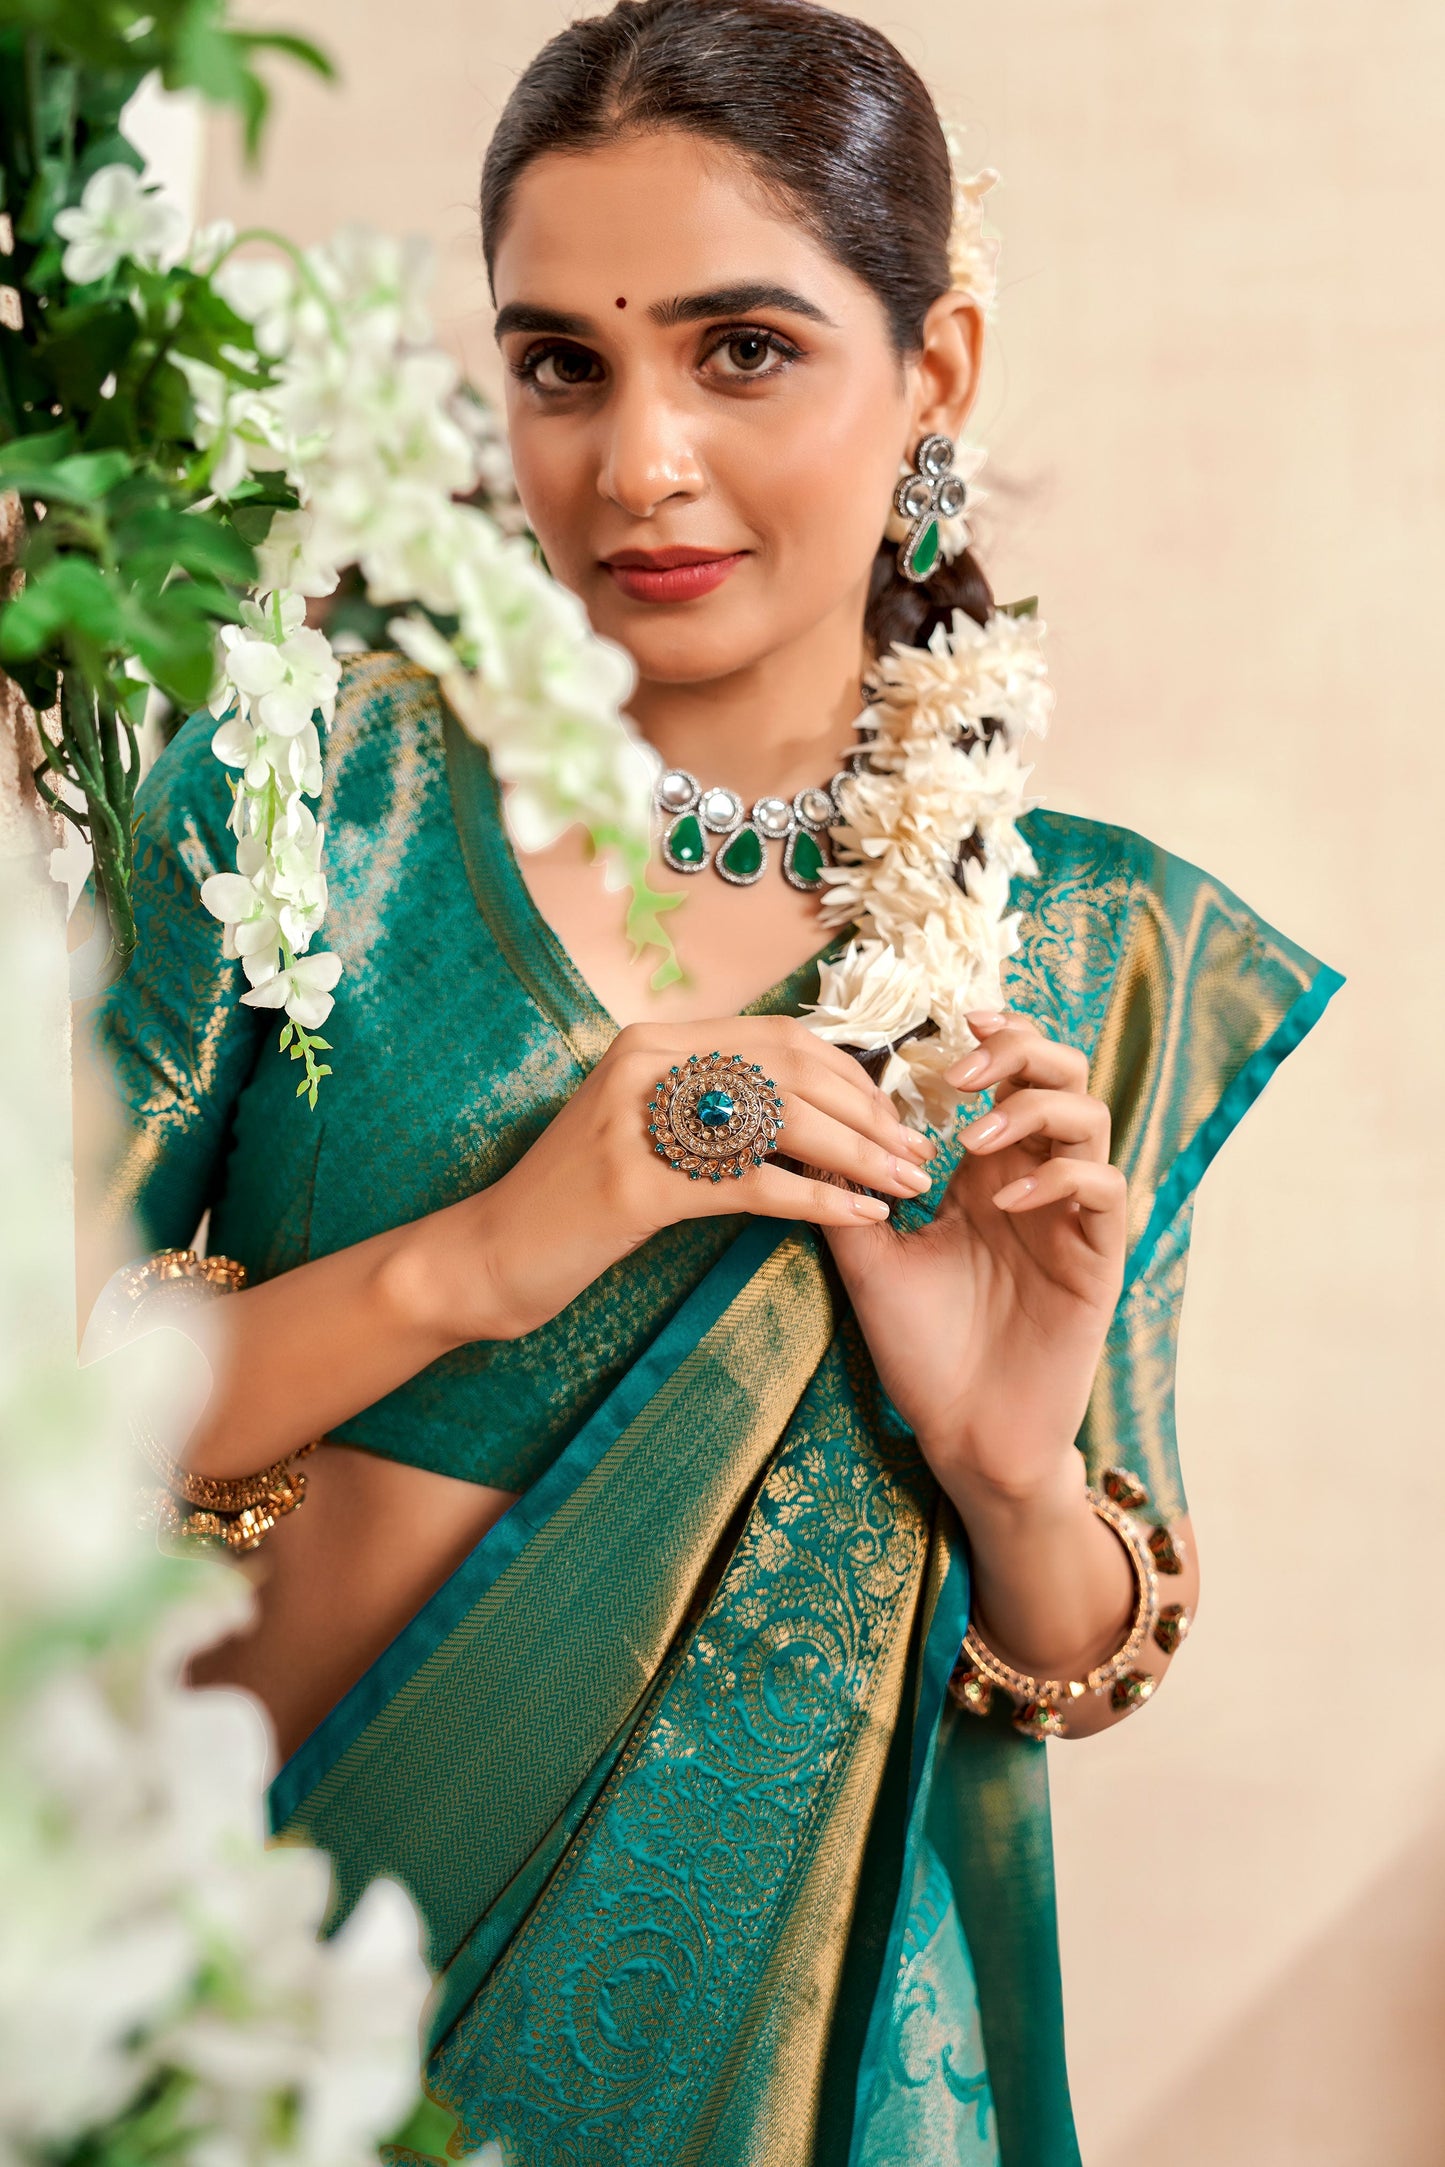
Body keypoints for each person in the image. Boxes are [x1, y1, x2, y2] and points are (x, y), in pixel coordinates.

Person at [78, 3, 1342, 2160]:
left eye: (742, 350)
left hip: (772, 2086)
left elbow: (1086, 1639)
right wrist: (483, 1258)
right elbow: (36, 1419)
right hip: (242, 2040)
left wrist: (1008, 1467)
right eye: (561, 363)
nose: (637, 460)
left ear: (934, 371)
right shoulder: (309, 789)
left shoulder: (1077, 945)